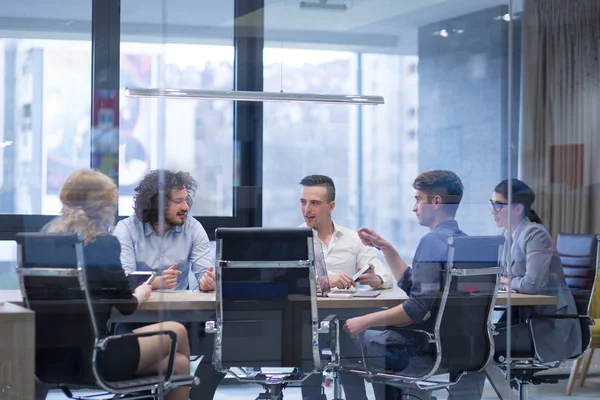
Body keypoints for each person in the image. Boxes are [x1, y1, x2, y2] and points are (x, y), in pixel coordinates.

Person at [44, 169, 191, 400]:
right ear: (103, 206)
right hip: (94, 357)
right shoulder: (102, 244)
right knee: (177, 330)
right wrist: (145, 288)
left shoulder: (48, 240)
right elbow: (126, 305)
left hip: (46, 361)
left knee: (180, 364)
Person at [344, 170, 482, 400]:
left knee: (354, 339)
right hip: (463, 348)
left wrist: (365, 321)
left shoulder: (431, 241)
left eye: (418, 199)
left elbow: (417, 307)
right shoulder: (465, 242)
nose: (414, 207)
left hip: (426, 349)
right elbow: (419, 289)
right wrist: (386, 248)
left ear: (436, 202)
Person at [112, 169, 224, 400]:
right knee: (173, 362)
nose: (185, 207)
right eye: (178, 201)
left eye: (186, 200)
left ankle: (199, 395)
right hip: (136, 319)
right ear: (156, 204)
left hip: (182, 317)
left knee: (223, 344)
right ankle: (139, 394)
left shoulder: (193, 228)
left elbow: (206, 273)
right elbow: (123, 279)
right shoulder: (127, 229)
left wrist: (207, 282)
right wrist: (156, 282)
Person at [298, 175, 393, 400]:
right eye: (303, 202)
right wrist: (327, 281)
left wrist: (374, 278)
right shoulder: (294, 239)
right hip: (309, 321)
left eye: (315, 203)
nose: (307, 209)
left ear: (331, 206)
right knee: (311, 344)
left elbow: (385, 275)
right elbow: (285, 284)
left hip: (349, 319)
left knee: (351, 335)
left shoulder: (352, 239)